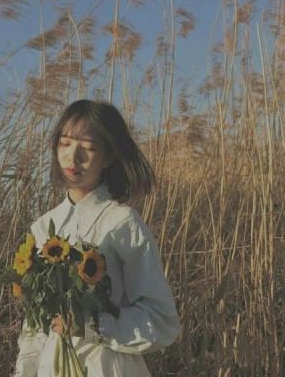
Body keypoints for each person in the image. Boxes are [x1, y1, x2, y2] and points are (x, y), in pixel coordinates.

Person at [13, 100, 181, 377]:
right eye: (65, 143)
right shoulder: (42, 227)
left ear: (109, 156)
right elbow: (35, 325)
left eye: (88, 148)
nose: (72, 157)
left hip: (108, 367)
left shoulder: (122, 222)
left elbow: (162, 321)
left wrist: (91, 326)